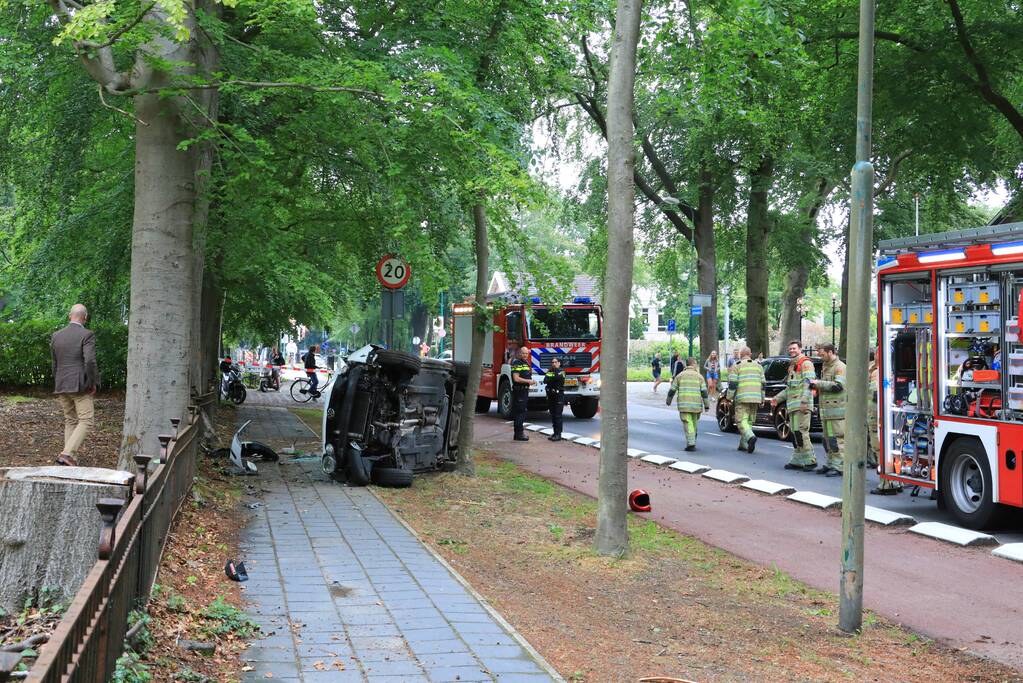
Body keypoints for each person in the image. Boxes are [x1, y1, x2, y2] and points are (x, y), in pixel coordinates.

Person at [50, 304, 100, 467]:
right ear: (85, 317)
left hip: (61, 383)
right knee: (86, 420)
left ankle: (68, 459)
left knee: (70, 420)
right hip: (79, 385)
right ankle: (67, 454)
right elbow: (90, 361)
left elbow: (54, 363)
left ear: (69, 316)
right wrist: (92, 382)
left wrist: (58, 381)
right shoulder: (87, 334)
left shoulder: (56, 336)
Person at [772, 340, 818, 471]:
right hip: (793, 406)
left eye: (794, 348)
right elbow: (789, 388)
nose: (791, 350)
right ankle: (798, 459)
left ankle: (810, 460)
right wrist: (777, 398)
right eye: (790, 349)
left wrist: (804, 401)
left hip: (801, 405)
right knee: (794, 433)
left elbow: (809, 384)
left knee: (801, 432)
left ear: (800, 349)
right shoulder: (792, 365)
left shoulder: (806, 363)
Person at [868, 349, 902, 495]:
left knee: (880, 447)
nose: (877, 355)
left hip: (878, 415)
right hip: (880, 414)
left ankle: (887, 483)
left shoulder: (880, 372)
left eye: (879, 352)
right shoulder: (877, 370)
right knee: (891, 448)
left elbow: (877, 395)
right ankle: (896, 480)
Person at [812, 343, 846, 477]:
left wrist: (817, 383)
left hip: (837, 411)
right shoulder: (827, 366)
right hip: (827, 411)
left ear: (830, 352)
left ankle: (840, 466)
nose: (821, 357)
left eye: (822, 354)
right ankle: (831, 463)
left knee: (837, 439)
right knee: (828, 439)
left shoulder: (839, 367)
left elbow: (838, 386)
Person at [667, 357, 709, 451]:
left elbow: (672, 390)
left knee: (688, 422)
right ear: (694, 364)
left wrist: (668, 401)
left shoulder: (680, 376)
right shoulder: (699, 376)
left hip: (684, 405)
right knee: (694, 423)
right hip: (696, 405)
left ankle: (691, 443)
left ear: (687, 365)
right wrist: (707, 405)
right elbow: (704, 392)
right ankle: (693, 438)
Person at [729, 347, 765, 453]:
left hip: (742, 397)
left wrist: (729, 397)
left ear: (741, 354)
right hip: (756, 398)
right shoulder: (759, 366)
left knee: (741, 420)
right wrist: (762, 398)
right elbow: (763, 384)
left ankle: (750, 437)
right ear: (750, 354)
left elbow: (733, 384)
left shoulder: (737, 365)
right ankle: (743, 444)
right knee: (749, 420)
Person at [511, 346, 535, 441]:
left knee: (522, 411)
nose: (525, 355)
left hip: (524, 390)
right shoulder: (517, 363)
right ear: (520, 353)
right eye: (523, 353)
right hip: (519, 390)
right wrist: (528, 381)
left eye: (526, 353)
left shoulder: (526, 363)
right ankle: (519, 434)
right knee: (520, 412)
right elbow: (516, 378)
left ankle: (519, 433)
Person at [544, 356, 565, 441]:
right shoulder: (550, 371)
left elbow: (557, 377)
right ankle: (555, 433)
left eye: (556, 362)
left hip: (558, 395)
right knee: (553, 415)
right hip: (551, 395)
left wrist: (551, 377)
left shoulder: (562, 371)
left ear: (559, 363)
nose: (554, 364)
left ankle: (558, 434)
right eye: (552, 362)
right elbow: (545, 380)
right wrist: (551, 377)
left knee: (558, 415)